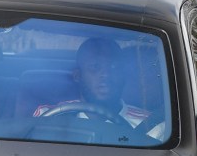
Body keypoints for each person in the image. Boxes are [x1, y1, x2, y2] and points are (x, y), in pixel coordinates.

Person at [33, 37, 165, 140]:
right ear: (78, 76)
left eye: (114, 67)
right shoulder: (49, 116)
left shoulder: (150, 126)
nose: (105, 74)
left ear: (123, 75)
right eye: (95, 67)